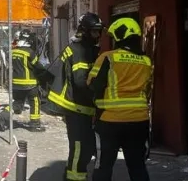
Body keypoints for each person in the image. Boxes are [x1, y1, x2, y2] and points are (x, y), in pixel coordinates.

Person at [87, 17, 153, 181]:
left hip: (110, 121)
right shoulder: (146, 61)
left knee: (103, 166)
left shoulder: (108, 57)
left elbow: (92, 84)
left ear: (119, 37)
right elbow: (148, 90)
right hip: (139, 120)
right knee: (138, 166)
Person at [46, 13, 104, 181]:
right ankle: (73, 178)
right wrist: (99, 91)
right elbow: (80, 81)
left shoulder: (83, 48)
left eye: (99, 32)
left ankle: (72, 172)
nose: (98, 35)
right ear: (85, 31)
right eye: (94, 32)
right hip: (76, 107)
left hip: (82, 107)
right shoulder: (80, 51)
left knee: (85, 147)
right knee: (80, 147)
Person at [10, 30, 45, 130]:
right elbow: (37, 66)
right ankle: (35, 124)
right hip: (30, 83)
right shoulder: (29, 52)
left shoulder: (13, 51)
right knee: (35, 101)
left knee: (18, 103)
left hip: (16, 83)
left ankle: (3, 115)